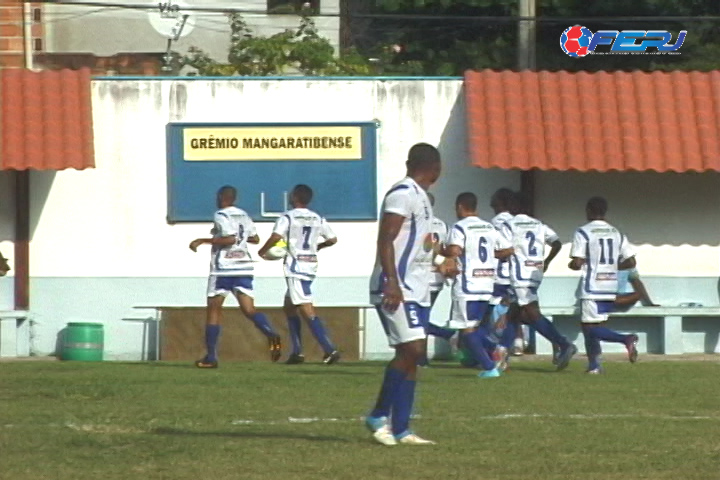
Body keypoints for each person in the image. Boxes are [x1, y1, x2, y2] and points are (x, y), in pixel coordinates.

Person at [365, 143, 457, 446]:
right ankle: (378, 415)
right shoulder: (402, 193)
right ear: (436, 169)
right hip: (395, 287)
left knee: (412, 355)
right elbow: (386, 238)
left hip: (414, 287)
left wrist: (442, 259)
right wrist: (391, 281)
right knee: (414, 350)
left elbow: (418, 244)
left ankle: (402, 429)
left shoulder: (422, 198)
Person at [190, 186, 282, 369]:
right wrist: (240, 238)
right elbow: (255, 239)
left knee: (214, 310)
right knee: (249, 310)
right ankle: (271, 333)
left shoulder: (221, 215)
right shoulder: (243, 215)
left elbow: (230, 239)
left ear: (221, 197)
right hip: (244, 266)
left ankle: (211, 356)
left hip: (223, 269)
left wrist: (203, 240)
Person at [258, 184, 340, 365]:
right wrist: (318, 246)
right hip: (311, 264)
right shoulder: (317, 217)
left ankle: (330, 349)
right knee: (289, 307)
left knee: (305, 308)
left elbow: (276, 237)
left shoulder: (287, 216)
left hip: (296, 267)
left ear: (294, 197)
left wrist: (262, 251)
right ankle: (297, 352)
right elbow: (332, 239)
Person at [496, 192, 577, 371]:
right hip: (535, 273)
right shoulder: (539, 225)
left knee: (531, 314)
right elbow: (556, 243)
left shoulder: (509, 225)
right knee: (514, 314)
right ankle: (502, 354)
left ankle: (563, 344)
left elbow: (505, 250)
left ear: (514, 207)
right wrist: (547, 261)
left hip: (519, 276)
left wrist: (495, 255)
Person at [569, 196, 639, 374]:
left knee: (589, 328)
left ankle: (626, 339)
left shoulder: (583, 232)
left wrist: (573, 264)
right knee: (595, 326)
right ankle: (594, 366)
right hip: (610, 286)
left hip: (592, 286)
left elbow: (577, 262)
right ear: (604, 212)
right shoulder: (617, 233)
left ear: (588, 211)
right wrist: (612, 268)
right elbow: (631, 261)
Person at [444, 192, 506, 378]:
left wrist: (447, 255)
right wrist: (487, 259)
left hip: (467, 284)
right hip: (487, 283)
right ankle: (496, 349)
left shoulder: (459, 227)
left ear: (460, 207)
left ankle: (489, 366)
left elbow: (454, 251)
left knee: (467, 329)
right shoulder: (489, 227)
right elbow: (507, 249)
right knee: (474, 326)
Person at [488, 188, 522, 357]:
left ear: (500, 202)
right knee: (514, 310)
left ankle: (494, 345)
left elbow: (495, 248)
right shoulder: (517, 222)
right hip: (516, 274)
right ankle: (517, 343)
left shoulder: (494, 223)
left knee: (488, 310)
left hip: (498, 274)